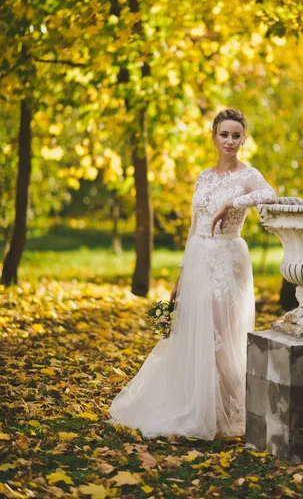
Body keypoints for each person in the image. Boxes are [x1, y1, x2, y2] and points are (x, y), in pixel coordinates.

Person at [108, 108, 277, 440]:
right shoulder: (203, 176)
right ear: (213, 136)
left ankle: (240, 411)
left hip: (228, 259)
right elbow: (193, 227)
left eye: (236, 135)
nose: (230, 140)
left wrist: (233, 203)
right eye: (224, 134)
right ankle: (200, 407)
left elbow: (269, 194)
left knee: (220, 337)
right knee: (195, 335)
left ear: (244, 138)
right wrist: (181, 276)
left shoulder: (248, 174)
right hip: (198, 258)